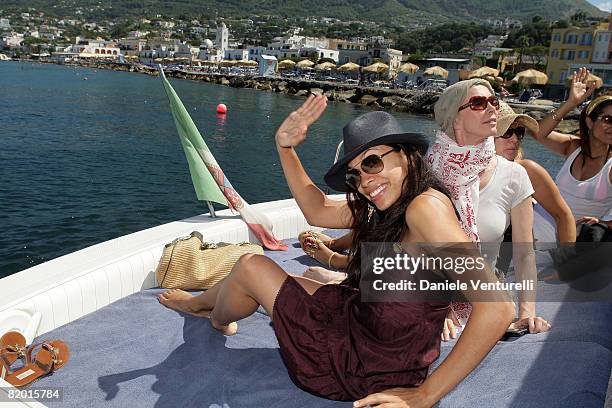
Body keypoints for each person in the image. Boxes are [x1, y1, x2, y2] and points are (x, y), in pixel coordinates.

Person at [159, 95, 514, 407]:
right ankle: (202, 304)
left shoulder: (425, 209)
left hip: (354, 365)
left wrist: (427, 395)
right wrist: (285, 148)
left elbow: (497, 309)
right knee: (289, 281)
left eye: (372, 162)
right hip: (371, 333)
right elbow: (317, 211)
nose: (365, 181)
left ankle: (214, 317)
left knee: (251, 266)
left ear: (406, 155)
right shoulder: (394, 203)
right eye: (356, 175)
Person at [428, 79, 550, 341]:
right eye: (479, 103)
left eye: (494, 102)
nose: (492, 108)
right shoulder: (426, 172)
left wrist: (527, 311)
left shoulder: (515, 175)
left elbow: (524, 254)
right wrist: (435, 306)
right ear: (454, 117)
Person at [529, 68, 611, 239]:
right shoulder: (573, 147)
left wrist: (604, 224)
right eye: (608, 120)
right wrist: (570, 103)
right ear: (589, 122)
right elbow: (538, 133)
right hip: (533, 229)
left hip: (568, 247)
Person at [494, 101, 576, 243]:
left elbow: (564, 215)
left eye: (519, 132)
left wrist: (566, 258)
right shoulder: (461, 175)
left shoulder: (527, 171)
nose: (515, 139)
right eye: (506, 131)